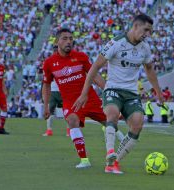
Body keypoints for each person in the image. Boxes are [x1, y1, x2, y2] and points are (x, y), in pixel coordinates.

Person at [73, 14, 164, 174]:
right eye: (146, 30)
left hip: (131, 93)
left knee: (137, 123)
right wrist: (84, 93)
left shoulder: (145, 48)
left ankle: (114, 163)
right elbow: (94, 67)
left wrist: (159, 92)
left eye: (150, 31)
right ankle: (109, 151)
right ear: (135, 26)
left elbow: (149, 70)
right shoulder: (116, 43)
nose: (148, 34)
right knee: (112, 114)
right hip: (113, 89)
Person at [42, 28, 124, 169]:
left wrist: (108, 90)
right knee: (72, 121)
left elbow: (94, 76)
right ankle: (84, 160)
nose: (69, 41)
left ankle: (124, 144)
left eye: (70, 38)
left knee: (110, 123)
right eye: (64, 38)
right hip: (71, 103)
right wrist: (45, 106)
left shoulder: (81, 56)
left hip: (90, 99)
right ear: (57, 42)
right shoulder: (49, 63)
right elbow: (46, 85)